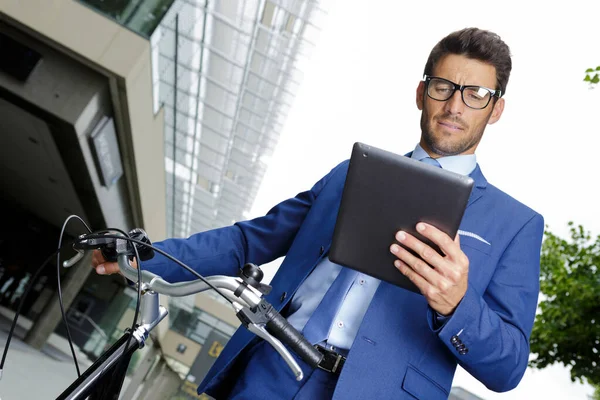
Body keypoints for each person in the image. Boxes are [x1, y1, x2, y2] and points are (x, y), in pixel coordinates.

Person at [92, 27, 544, 399]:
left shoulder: (516, 225)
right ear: (422, 92)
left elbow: (507, 367)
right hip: (271, 365)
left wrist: (458, 306)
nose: (455, 105)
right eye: (444, 87)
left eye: (476, 94)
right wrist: (142, 254)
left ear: (496, 109)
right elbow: (249, 241)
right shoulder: (352, 173)